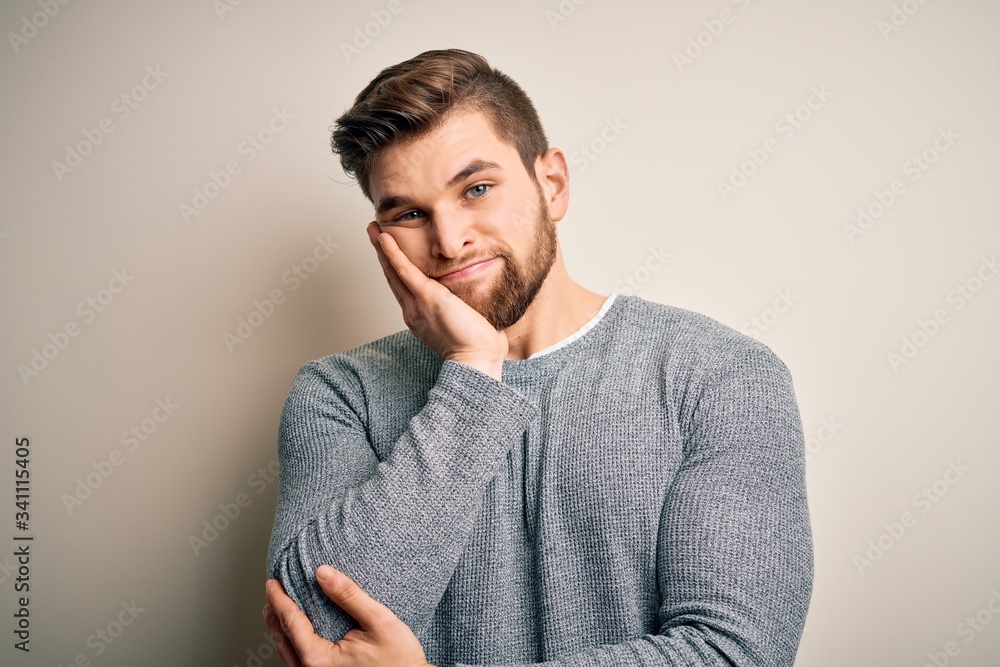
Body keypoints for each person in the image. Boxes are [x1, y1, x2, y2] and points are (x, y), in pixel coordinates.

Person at [262, 48, 813, 667]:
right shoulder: (338, 395)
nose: (449, 241)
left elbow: (735, 653)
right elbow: (316, 633)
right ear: (383, 237)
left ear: (551, 184)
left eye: (477, 189)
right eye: (411, 214)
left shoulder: (719, 375)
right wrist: (471, 369)